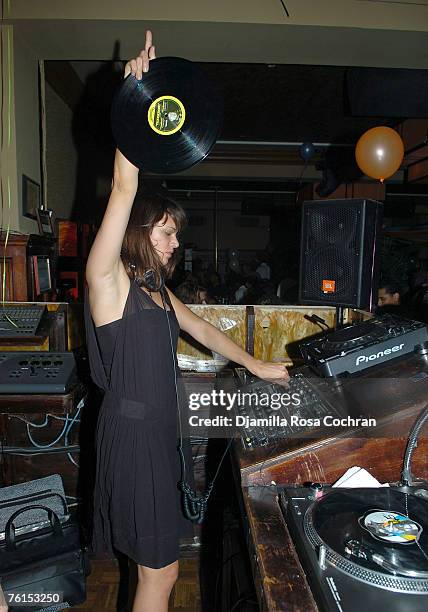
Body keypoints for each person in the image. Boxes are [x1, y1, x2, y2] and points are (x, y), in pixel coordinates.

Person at [84, 31, 289, 612]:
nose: (177, 241)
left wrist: (257, 364)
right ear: (139, 230)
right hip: (133, 440)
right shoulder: (109, 279)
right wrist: (137, 95)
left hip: (157, 435)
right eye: (167, 230)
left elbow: (201, 328)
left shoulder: (152, 290)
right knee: (161, 575)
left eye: (177, 231)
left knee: (163, 571)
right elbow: (125, 184)